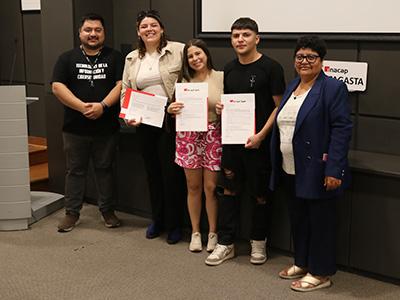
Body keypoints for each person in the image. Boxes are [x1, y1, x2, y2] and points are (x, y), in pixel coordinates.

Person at [270, 35, 352, 292]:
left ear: (321, 60)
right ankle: (303, 262)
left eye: (311, 57)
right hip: (290, 167)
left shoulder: (332, 88)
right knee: (299, 220)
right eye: (300, 57)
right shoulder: (293, 85)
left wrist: (334, 168)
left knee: (321, 223)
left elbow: (341, 129)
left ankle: (321, 272)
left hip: (318, 169)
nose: (304, 61)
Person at [205, 18, 286, 266]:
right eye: (235, 35)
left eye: (246, 35)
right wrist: (221, 107)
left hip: (259, 144)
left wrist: (261, 135)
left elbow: (279, 106)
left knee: (260, 194)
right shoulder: (228, 69)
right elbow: (229, 102)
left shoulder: (271, 68)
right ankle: (226, 243)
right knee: (228, 191)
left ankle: (258, 242)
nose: (240, 40)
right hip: (231, 142)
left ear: (257, 39)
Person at [52, 13, 124, 232]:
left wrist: (102, 106)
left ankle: (108, 211)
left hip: (106, 127)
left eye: (97, 30)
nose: (93, 34)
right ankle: (71, 213)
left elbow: (122, 85)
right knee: (75, 171)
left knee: (105, 169)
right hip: (75, 127)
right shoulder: (66, 58)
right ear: (80, 32)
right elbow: (57, 87)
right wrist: (82, 107)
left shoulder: (115, 57)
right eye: (88, 30)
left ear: (104, 33)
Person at [121, 10, 186, 244]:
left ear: (162, 28)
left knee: (172, 175)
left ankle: (175, 224)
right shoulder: (131, 58)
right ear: (138, 32)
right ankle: (157, 220)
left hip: (171, 120)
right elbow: (126, 91)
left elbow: (191, 80)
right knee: (152, 173)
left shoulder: (178, 50)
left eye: (154, 25)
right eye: (144, 26)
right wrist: (127, 114)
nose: (149, 29)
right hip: (144, 122)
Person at [167, 39, 223, 252]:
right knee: (193, 187)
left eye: (198, 54)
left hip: (213, 134)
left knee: (210, 187)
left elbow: (231, 105)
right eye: (190, 56)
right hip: (188, 136)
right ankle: (196, 232)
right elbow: (173, 109)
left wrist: (223, 108)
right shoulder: (182, 81)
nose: (195, 59)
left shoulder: (221, 77)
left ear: (206, 54)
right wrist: (171, 109)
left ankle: (213, 232)